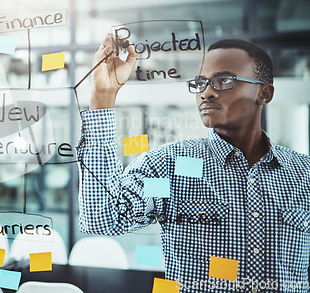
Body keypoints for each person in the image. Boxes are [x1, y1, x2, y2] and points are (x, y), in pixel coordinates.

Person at [76, 34, 310, 292]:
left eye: (223, 80)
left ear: (264, 93)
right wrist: (102, 96)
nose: (206, 92)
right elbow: (102, 218)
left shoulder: (304, 174)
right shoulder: (172, 167)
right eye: (200, 83)